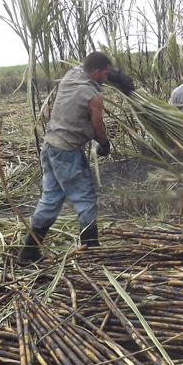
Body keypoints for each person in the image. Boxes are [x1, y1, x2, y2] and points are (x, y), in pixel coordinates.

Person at [18, 51, 113, 263]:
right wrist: (105, 146)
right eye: (105, 74)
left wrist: (118, 77)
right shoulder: (93, 95)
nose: (107, 77)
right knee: (86, 200)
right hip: (67, 152)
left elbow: (88, 66)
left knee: (50, 200)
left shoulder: (73, 74)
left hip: (49, 147)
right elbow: (99, 130)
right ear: (97, 72)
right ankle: (91, 254)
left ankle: (28, 252)